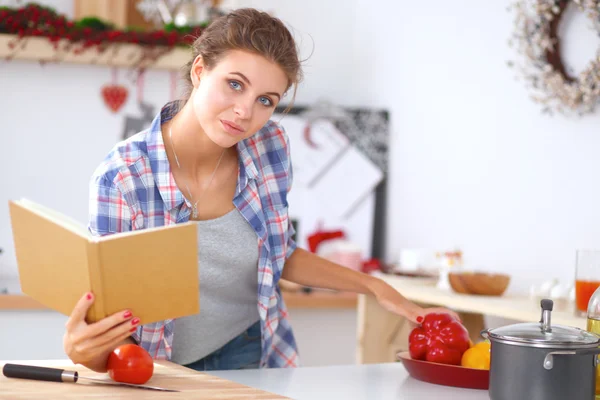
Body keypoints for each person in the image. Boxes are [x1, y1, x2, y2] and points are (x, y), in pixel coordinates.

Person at [63, 8, 459, 372]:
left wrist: (373, 286)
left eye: (265, 100)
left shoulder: (269, 146)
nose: (245, 112)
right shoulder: (124, 176)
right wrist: (86, 353)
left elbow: (279, 253)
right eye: (234, 84)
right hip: (158, 364)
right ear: (199, 70)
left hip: (250, 345)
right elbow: (112, 312)